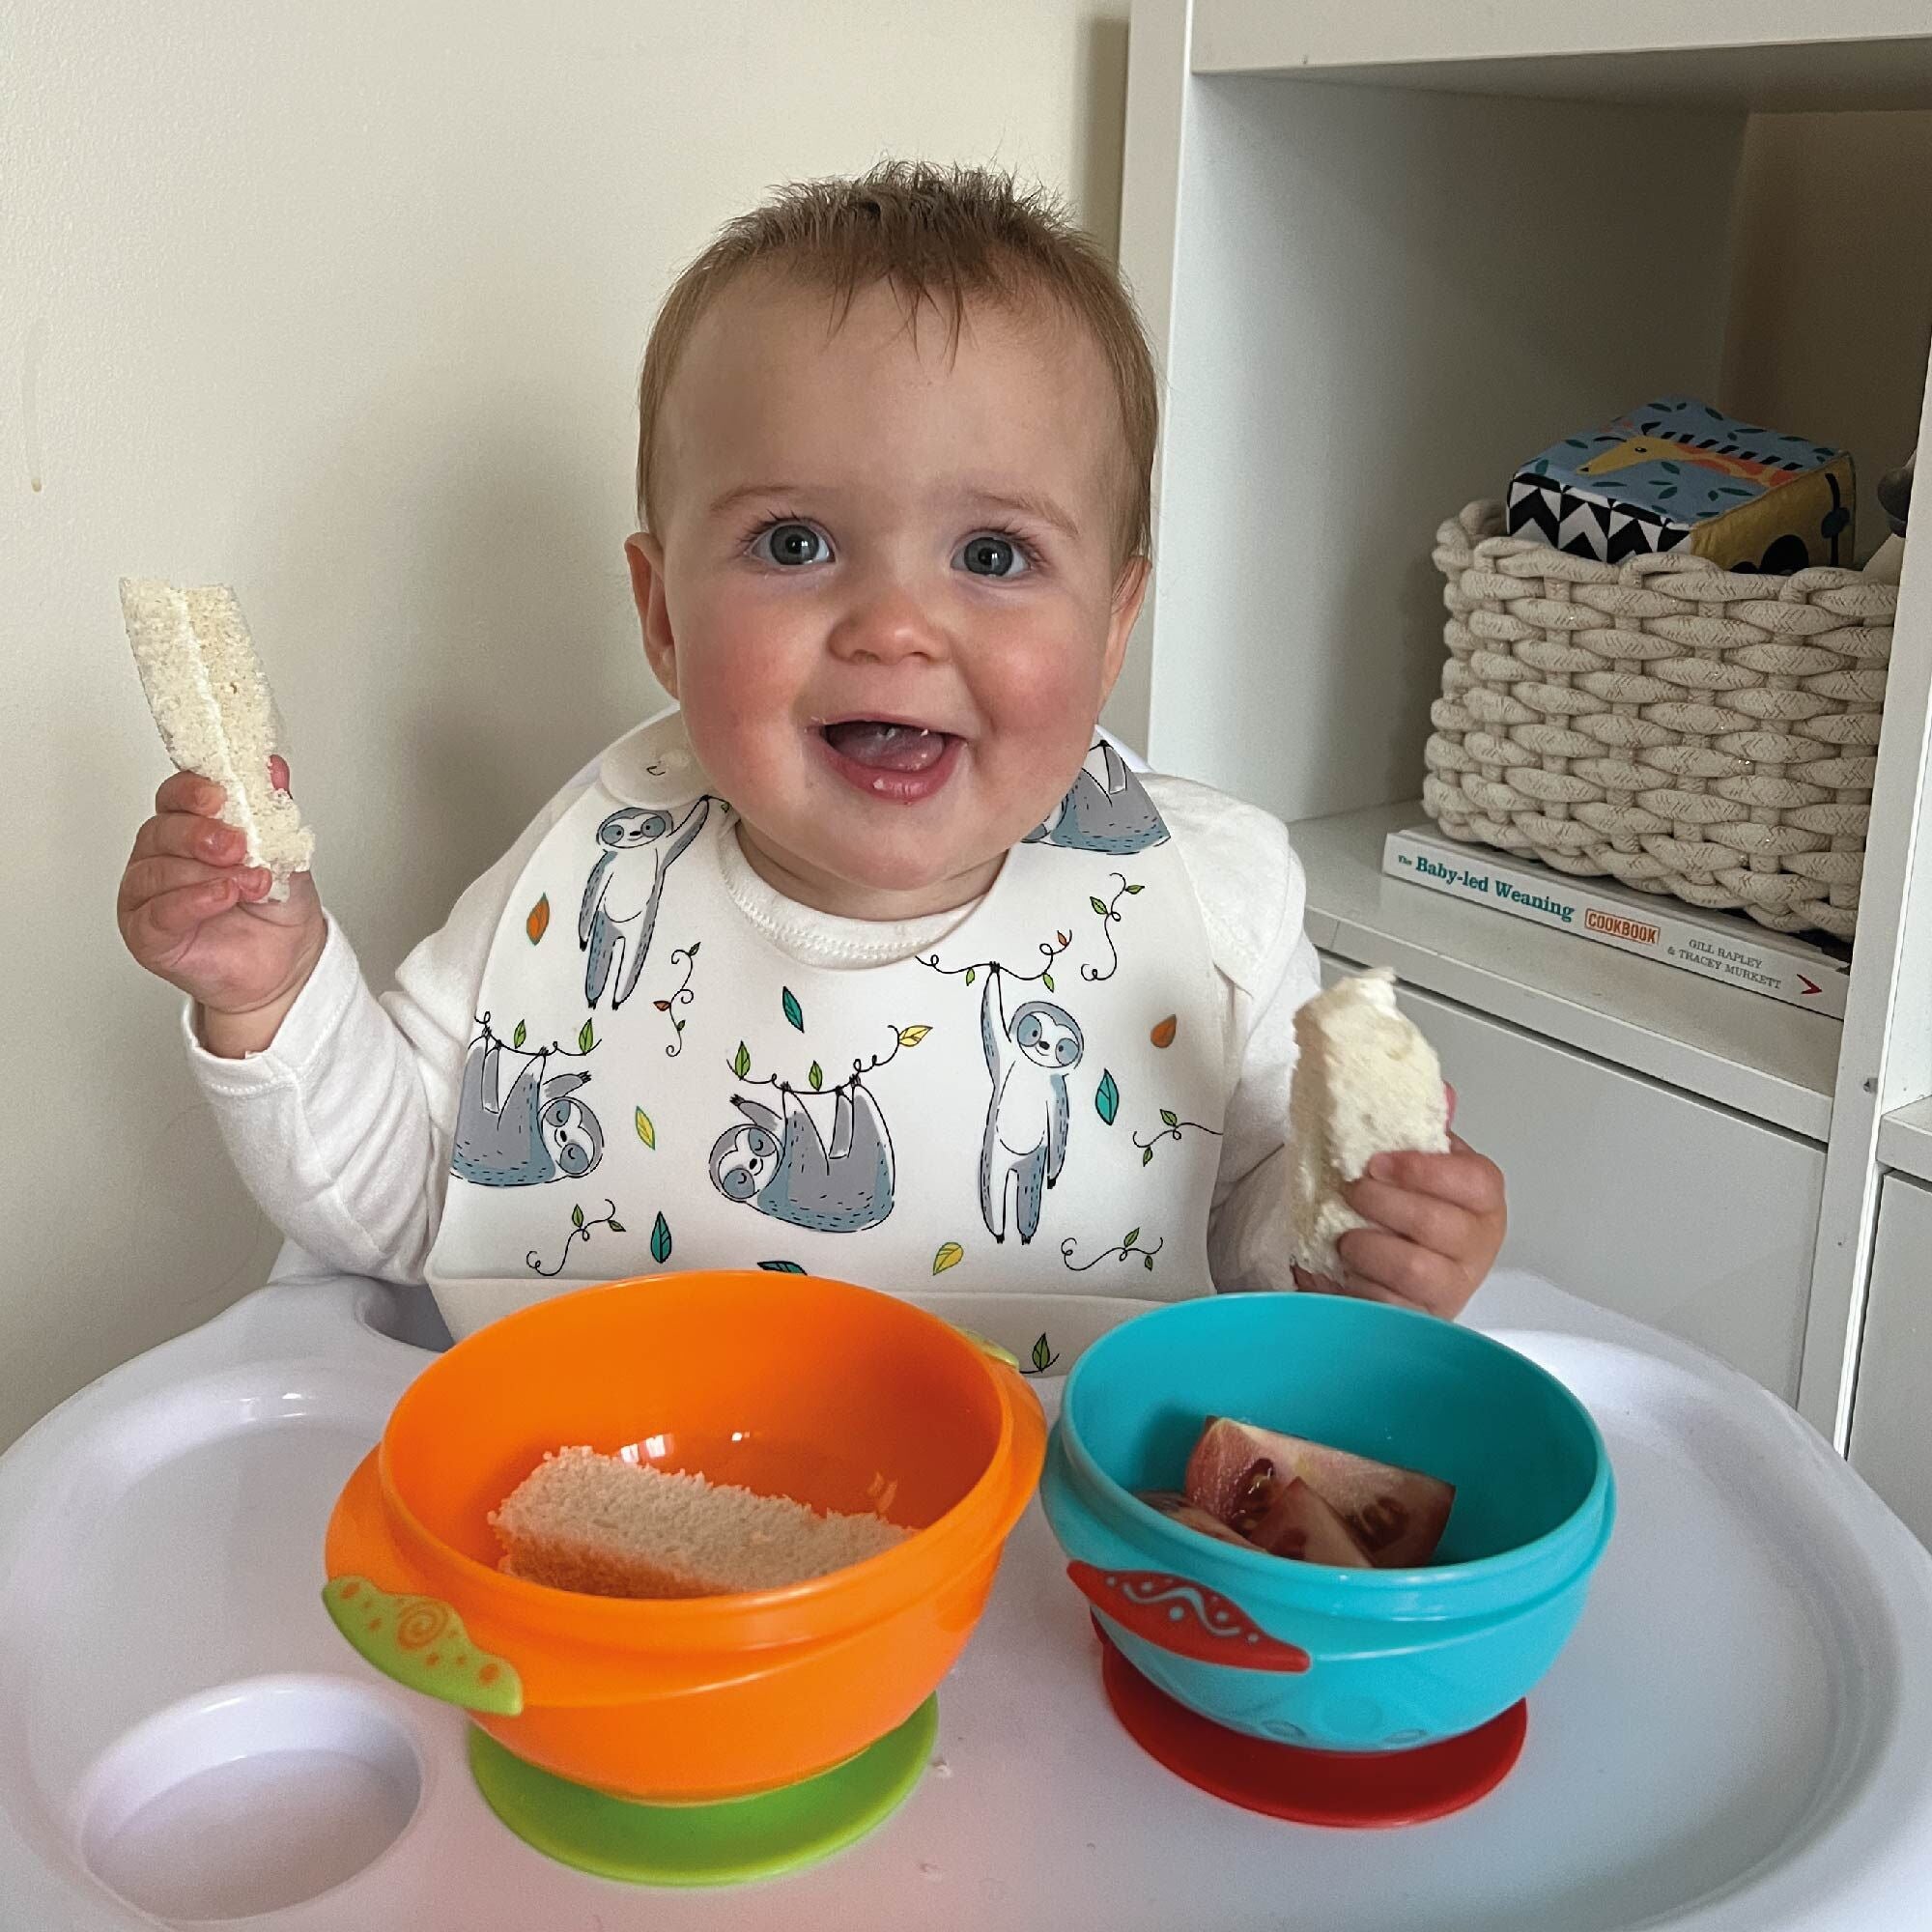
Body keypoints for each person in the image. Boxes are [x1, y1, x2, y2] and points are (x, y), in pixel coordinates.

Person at [116, 161, 1504, 1367]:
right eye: (795, 545)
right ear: (663, 615)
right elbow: (410, 1204)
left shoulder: (1210, 904)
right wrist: (278, 1000)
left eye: (995, 555)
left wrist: (1357, 1242)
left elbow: (1252, 1255)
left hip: (1038, 1559)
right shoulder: (593, 866)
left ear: (1114, 625)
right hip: (636, 1543)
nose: (895, 626)